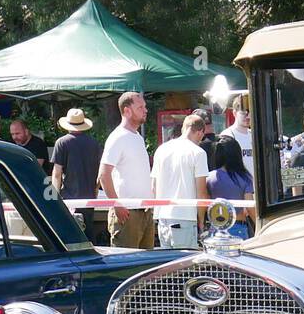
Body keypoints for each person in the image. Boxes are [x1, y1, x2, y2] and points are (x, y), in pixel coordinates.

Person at [99, 91, 154, 250]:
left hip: (144, 211)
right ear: (127, 110)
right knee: (127, 266)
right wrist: (117, 205)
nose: (145, 110)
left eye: (145, 106)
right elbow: (104, 174)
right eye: (140, 107)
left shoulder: (137, 137)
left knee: (146, 268)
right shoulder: (118, 137)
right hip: (128, 213)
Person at [151, 112, 210, 247]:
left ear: (184, 128)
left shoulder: (162, 149)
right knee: (185, 265)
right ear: (200, 132)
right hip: (185, 217)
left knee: (169, 266)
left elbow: (153, 186)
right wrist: (201, 221)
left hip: (163, 218)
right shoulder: (198, 153)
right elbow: (201, 192)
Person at [52, 107, 104, 245]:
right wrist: (95, 191)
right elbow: (100, 172)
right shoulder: (94, 143)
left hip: (69, 198)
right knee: (88, 234)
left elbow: (57, 174)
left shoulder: (62, 143)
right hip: (89, 198)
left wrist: (55, 197)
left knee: (70, 237)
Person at [206, 134, 253, 238]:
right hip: (238, 227)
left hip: (216, 228)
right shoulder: (244, 177)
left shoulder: (209, 177)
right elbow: (250, 207)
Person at [219, 94, 253, 176]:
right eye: (243, 113)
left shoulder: (255, 135)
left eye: (250, 113)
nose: (247, 116)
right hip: (239, 185)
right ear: (234, 113)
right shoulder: (227, 136)